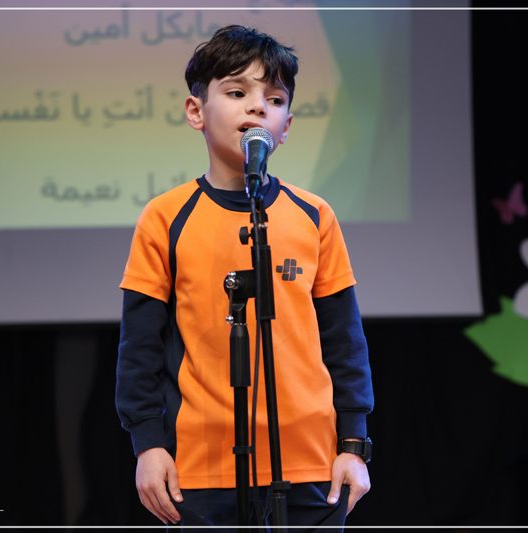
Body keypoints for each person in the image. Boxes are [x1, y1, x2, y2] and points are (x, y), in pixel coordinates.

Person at [115, 24, 373, 530]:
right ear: (196, 111)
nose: (258, 108)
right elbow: (140, 347)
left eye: (274, 100)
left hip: (311, 463)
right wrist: (148, 445)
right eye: (237, 93)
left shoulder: (314, 215)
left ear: (286, 125)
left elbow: (344, 341)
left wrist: (353, 445)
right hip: (203, 467)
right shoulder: (166, 217)